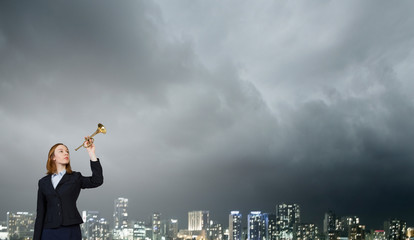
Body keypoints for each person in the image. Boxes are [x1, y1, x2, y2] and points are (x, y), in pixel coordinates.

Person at [33, 137, 104, 240]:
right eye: (61, 151)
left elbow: (97, 180)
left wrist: (91, 153)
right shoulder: (43, 182)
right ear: (53, 157)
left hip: (70, 230)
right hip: (48, 231)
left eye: (67, 151)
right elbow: (40, 213)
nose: (66, 153)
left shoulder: (75, 177)